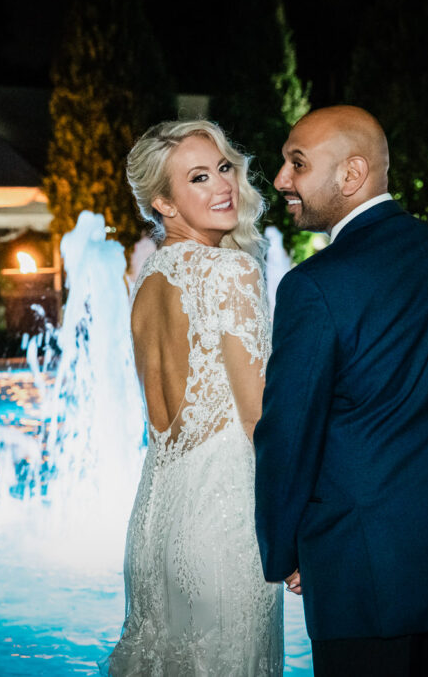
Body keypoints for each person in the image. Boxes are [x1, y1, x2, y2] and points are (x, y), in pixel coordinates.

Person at [254, 105, 428, 676]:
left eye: (296, 164)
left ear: (351, 175)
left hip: (365, 578)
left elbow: (288, 434)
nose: (281, 180)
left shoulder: (313, 285)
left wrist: (287, 550)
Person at [103, 119, 284, 675]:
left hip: (155, 522)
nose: (222, 186)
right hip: (222, 527)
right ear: (164, 202)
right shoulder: (230, 270)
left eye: (224, 168)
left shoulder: (147, 277)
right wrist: (295, 524)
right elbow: (259, 420)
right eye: (199, 178)